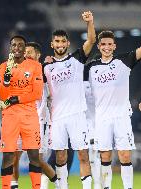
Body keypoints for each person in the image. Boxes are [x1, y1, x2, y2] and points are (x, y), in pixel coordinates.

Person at [86, 15, 141, 189]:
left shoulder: (124, 61)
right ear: (99, 46)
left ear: (114, 46)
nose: (107, 47)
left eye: (110, 44)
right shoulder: (91, 67)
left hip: (122, 117)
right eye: (103, 44)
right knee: (105, 157)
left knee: (124, 156)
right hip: (102, 119)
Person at [0, 42, 60, 189]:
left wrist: (52, 63)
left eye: (30, 52)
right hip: (18, 119)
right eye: (25, 52)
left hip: (38, 121)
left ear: (38, 55)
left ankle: (58, 184)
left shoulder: (44, 71)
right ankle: (14, 186)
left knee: (37, 158)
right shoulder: (19, 71)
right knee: (13, 156)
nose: (27, 55)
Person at [42, 11, 96, 189]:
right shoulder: (46, 67)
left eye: (63, 41)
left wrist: (89, 22)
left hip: (77, 115)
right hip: (57, 118)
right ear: (52, 44)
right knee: (60, 156)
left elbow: (91, 41)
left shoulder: (76, 60)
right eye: (57, 41)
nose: (60, 44)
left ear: (67, 43)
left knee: (82, 155)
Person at [0, 35, 43, 189]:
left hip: (30, 116)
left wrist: (16, 99)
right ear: (10, 48)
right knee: (8, 155)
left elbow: (37, 94)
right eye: (14, 45)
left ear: (24, 48)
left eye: (20, 45)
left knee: (34, 155)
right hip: (10, 116)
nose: (17, 48)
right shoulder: (2, 68)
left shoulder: (35, 66)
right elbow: (3, 96)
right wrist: (7, 77)